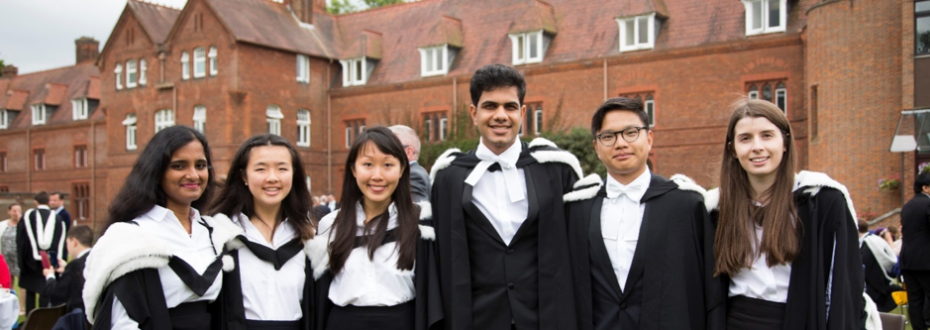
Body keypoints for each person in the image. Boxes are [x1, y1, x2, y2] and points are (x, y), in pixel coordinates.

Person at [430, 64, 580, 330]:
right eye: (490, 106)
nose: (501, 115)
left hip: (545, 319)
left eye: (510, 107)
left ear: (522, 113)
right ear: (474, 113)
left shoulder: (556, 172)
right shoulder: (448, 178)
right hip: (476, 320)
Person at [564, 97, 724, 330]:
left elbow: (711, 291)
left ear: (649, 139)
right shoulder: (577, 210)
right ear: (596, 148)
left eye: (631, 132)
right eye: (608, 136)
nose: (620, 143)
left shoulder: (687, 206)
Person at [707, 98, 863, 330]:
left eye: (767, 135)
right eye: (745, 138)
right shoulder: (717, 209)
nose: (757, 146)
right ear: (732, 149)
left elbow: (843, 287)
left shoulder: (822, 202)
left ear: (785, 142)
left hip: (799, 320)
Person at [82, 126, 240, 330]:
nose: (193, 175)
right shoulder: (132, 237)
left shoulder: (215, 234)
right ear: (156, 172)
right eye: (179, 166)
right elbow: (121, 322)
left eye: (200, 165)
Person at [306, 126, 441, 330]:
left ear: (402, 169)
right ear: (353, 169)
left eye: (388, 165)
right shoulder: (331, 225)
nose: (377, 175)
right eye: (367, 164)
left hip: (402, 322)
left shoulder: (421, 224)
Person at [207, 134, 316, 330]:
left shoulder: (308, 237)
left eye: (282, 168)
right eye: (261, 169)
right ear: (243, 176)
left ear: (294, 174)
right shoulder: (220, 233)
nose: (272, 178)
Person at [18, 191, 66, 314]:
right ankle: (44, 318)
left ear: (36, 202)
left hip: (30, 261)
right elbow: (61, 241)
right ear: (49, 202)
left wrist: (22, 263)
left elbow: (21, 241)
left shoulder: (27, 217)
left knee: (30, 291)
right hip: (49, 262)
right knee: (45, 290)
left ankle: (30, 318)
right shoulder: (58, 218)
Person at [901, 171, 930, 330]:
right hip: (926, 261)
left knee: (915, 300)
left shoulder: (907, 206)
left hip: (908, 260)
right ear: (925, 188)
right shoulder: (928, 204)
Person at [43, 225, 93, 313]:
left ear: (74, 242)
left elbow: (57, 295)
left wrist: (50, 276)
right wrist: (66, 269)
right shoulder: (96, 259)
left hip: (78, 319)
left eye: (67, 243)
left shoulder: (74, 265)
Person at [858, 220, 901, 312]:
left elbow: (866, 265)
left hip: (875, 285)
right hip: (878, 281)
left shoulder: (868, 243)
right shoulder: (873, 240)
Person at [389, 125, 431, 202]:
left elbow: (418, 210)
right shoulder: (416, 172)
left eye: (391, 147)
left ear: (409, 152)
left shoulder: (412, 175)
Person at [0, 204, 21, 300]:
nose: (16, 213)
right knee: (8, 280)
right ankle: (10, 300)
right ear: (9, 212)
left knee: (21, 281)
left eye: (19, 210)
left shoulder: (23, 225)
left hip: (19, 257)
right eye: (14, 211)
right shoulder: (2, 225)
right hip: (5, 257)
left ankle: (21, 306)